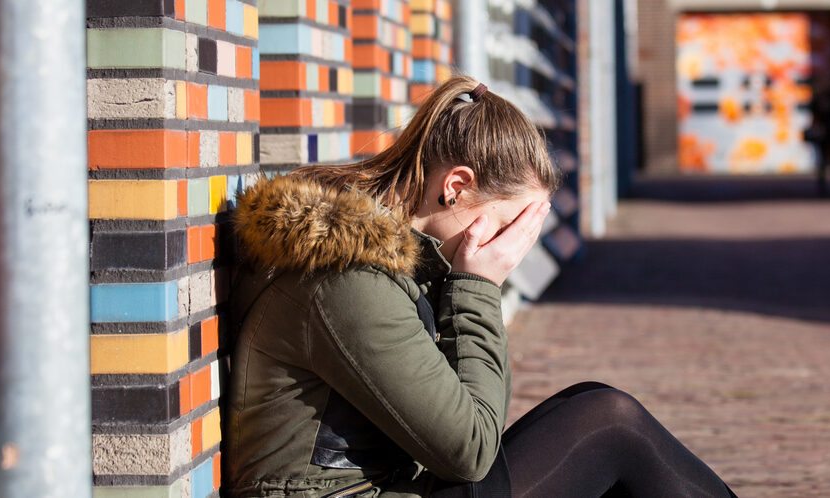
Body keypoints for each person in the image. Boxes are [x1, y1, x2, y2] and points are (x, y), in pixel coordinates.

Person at [222, 76, 737, 498]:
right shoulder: (347, 282)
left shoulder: (389, 265)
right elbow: (471, 451)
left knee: (597, 410)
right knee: (609, 424)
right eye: (509, 224)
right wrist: (477, 284)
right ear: (456, 186)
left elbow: (472, 426)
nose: (514, 247)